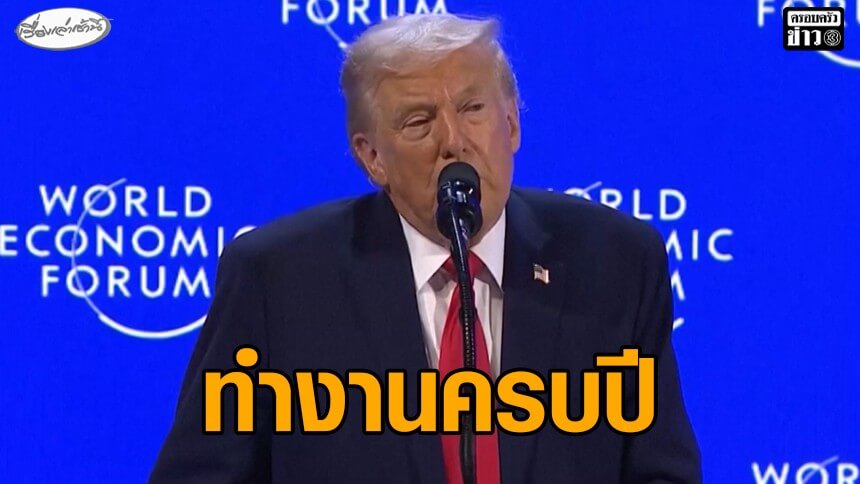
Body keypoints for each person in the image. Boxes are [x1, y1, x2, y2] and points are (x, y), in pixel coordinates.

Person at [150, 13, 701, 484]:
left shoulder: (615, 262)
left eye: (473, 109)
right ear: (372, 158)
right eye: (419, 122)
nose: (453, 141)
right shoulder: (278, 279)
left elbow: (661, 472)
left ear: (511, 124)